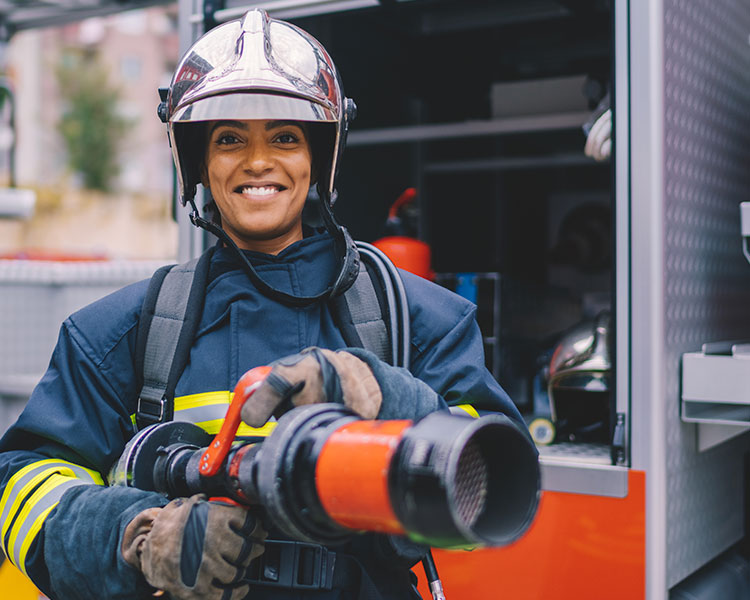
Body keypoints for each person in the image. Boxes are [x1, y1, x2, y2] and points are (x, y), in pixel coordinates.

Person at [0, 9, 530, 600]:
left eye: (284, 136)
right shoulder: (118, 332)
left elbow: (493, 488)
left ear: (319, 157)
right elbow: (22, 488)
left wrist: (387, 395)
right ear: (198, 162)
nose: (257, 161)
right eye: (230, 139)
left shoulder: (423, 321)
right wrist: (137, 536)